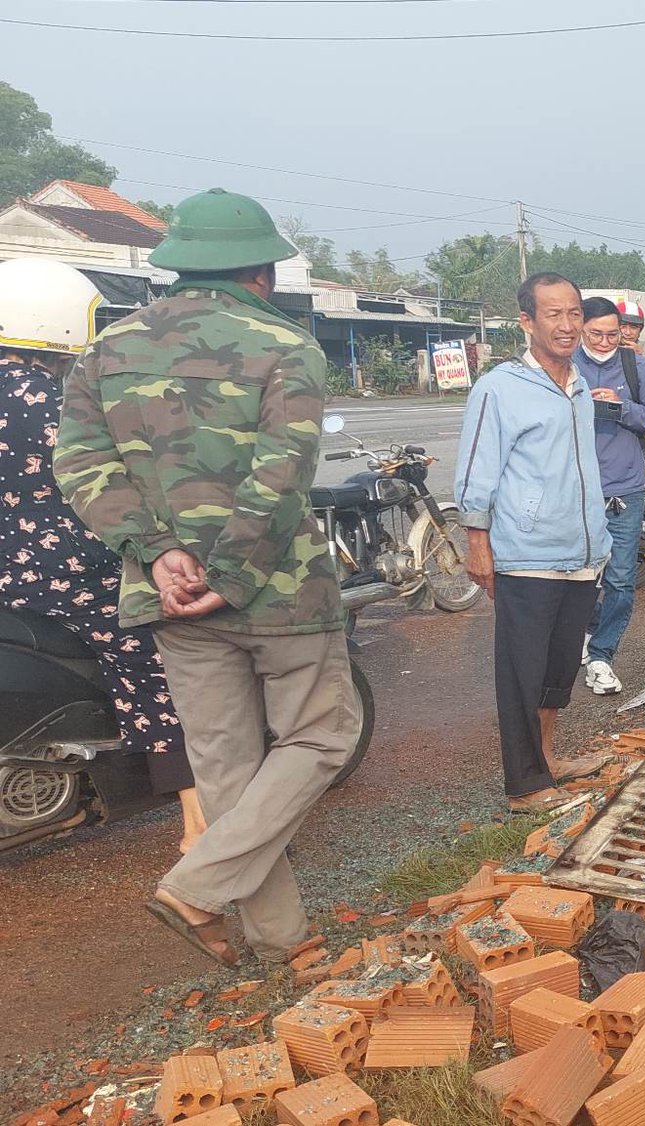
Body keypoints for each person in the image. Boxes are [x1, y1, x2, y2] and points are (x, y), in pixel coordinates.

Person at [54, 188, 362, 968]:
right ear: (260, 270)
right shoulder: (285, 345)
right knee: (324, 735)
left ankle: (286, 943)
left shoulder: (105, 352)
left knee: (226, 767)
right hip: (281, 590)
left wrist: (158, 550)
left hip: (169, 593)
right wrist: (231, 569)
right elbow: (282, 474)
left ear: (175, 266)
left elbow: (81, 466)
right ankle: (197, 884)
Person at [0, 258, 206, 854]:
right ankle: (200, 824)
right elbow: (132, 483)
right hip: (69, 576)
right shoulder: (59, 405)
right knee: (162, 668)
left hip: (10, 579)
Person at [456, 273, 614, 812]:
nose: (568, 325)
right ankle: (524, 785)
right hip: (526, 556)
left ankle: (548, 759)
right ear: (527, 322)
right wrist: (479, 545)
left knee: (558, 668)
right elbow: (478, 472)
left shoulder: (579, 386)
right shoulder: (499, 387)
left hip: (581, 554)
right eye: (554, 314)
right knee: (522, 674)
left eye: (574, 313)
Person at [575, 296, 645, 697]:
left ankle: (601, 655)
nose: (604, 341)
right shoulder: (564, 366)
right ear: (580, 329)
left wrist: (621, 408)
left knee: (619, 580)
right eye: (595, 333)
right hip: (575, 491)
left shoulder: (635, 366)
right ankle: (585, 630)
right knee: (576, 578)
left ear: (624, 332)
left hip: (624, 489)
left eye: (612, 334)